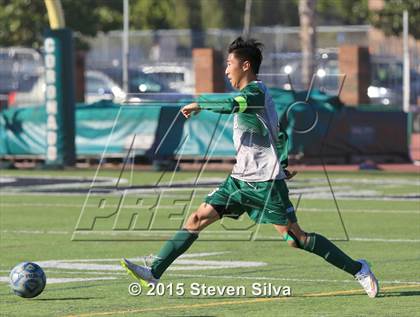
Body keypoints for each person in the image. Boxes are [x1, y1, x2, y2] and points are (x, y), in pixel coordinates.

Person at [121, 37, 379, 298]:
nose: (225, 70)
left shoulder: (255, 93)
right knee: (197, 218)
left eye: (229, 64)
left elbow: (232, 105)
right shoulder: (253, 97)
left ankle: (359, 269)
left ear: (245, 66)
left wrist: (200, 102)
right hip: (239, 181)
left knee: (295, 239)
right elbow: (278, 135)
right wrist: (283, 161)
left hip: (266, 183)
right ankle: (153, 273)